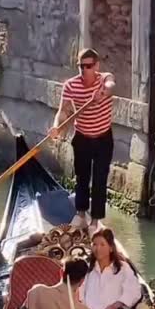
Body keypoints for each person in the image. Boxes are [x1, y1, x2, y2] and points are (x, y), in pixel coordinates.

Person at [49, 47, 115, 232]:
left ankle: (95, 221)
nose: (85, 70)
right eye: (81, 66)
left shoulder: (104, 79)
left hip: (103, 138)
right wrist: (56, 127)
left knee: (100, 179)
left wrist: (102, 94)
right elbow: (63, 112)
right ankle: (80, 215)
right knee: (82, 178)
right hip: (82, 138)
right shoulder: (71, 85)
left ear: (96, 66)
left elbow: (111, 87)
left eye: (89, 66)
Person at [80, 227, 142, 309]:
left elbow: (134, 291)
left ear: (111, 248)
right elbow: (80, 293)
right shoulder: (87, 269)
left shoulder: (123, 268)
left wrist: (116, 305)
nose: (97, 248)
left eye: (102, 245)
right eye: (94, 244)